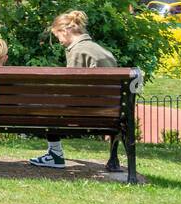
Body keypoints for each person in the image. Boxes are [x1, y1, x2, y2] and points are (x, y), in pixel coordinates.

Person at [29, 10, 116, 169]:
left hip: (87, 114)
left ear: (64, 31)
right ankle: (114, 159)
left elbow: (71, 92)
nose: (60, 41)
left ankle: (55, 154)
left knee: (47, 106)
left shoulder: (77, 51)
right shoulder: (101, 50)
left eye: (58, 37)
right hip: (112, 113)